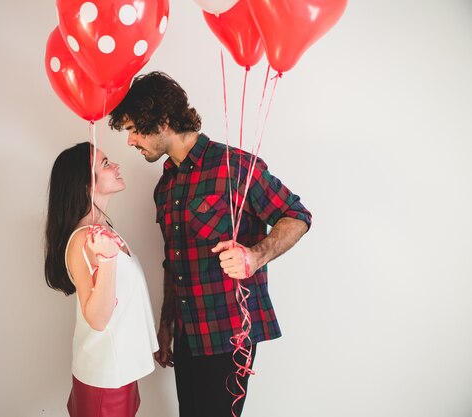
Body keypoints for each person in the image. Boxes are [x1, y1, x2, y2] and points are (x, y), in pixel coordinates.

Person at [109, 72, 312, 417]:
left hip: (229, 332)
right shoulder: (166, 186)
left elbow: (296, 215)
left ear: (163, 121)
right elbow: (172, 261)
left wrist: (254, 255)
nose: (129, 141)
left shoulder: (235, 166)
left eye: (133, 129)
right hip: (189, 332)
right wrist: (166, 323)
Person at [44, 142, 158, 417]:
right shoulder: (85, 239)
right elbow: (97, 318)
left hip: (120, 371)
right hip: (107, 377)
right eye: (105, 164)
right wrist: (107, 261)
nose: (116, 166)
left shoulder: (101, 229)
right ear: (86, 184)